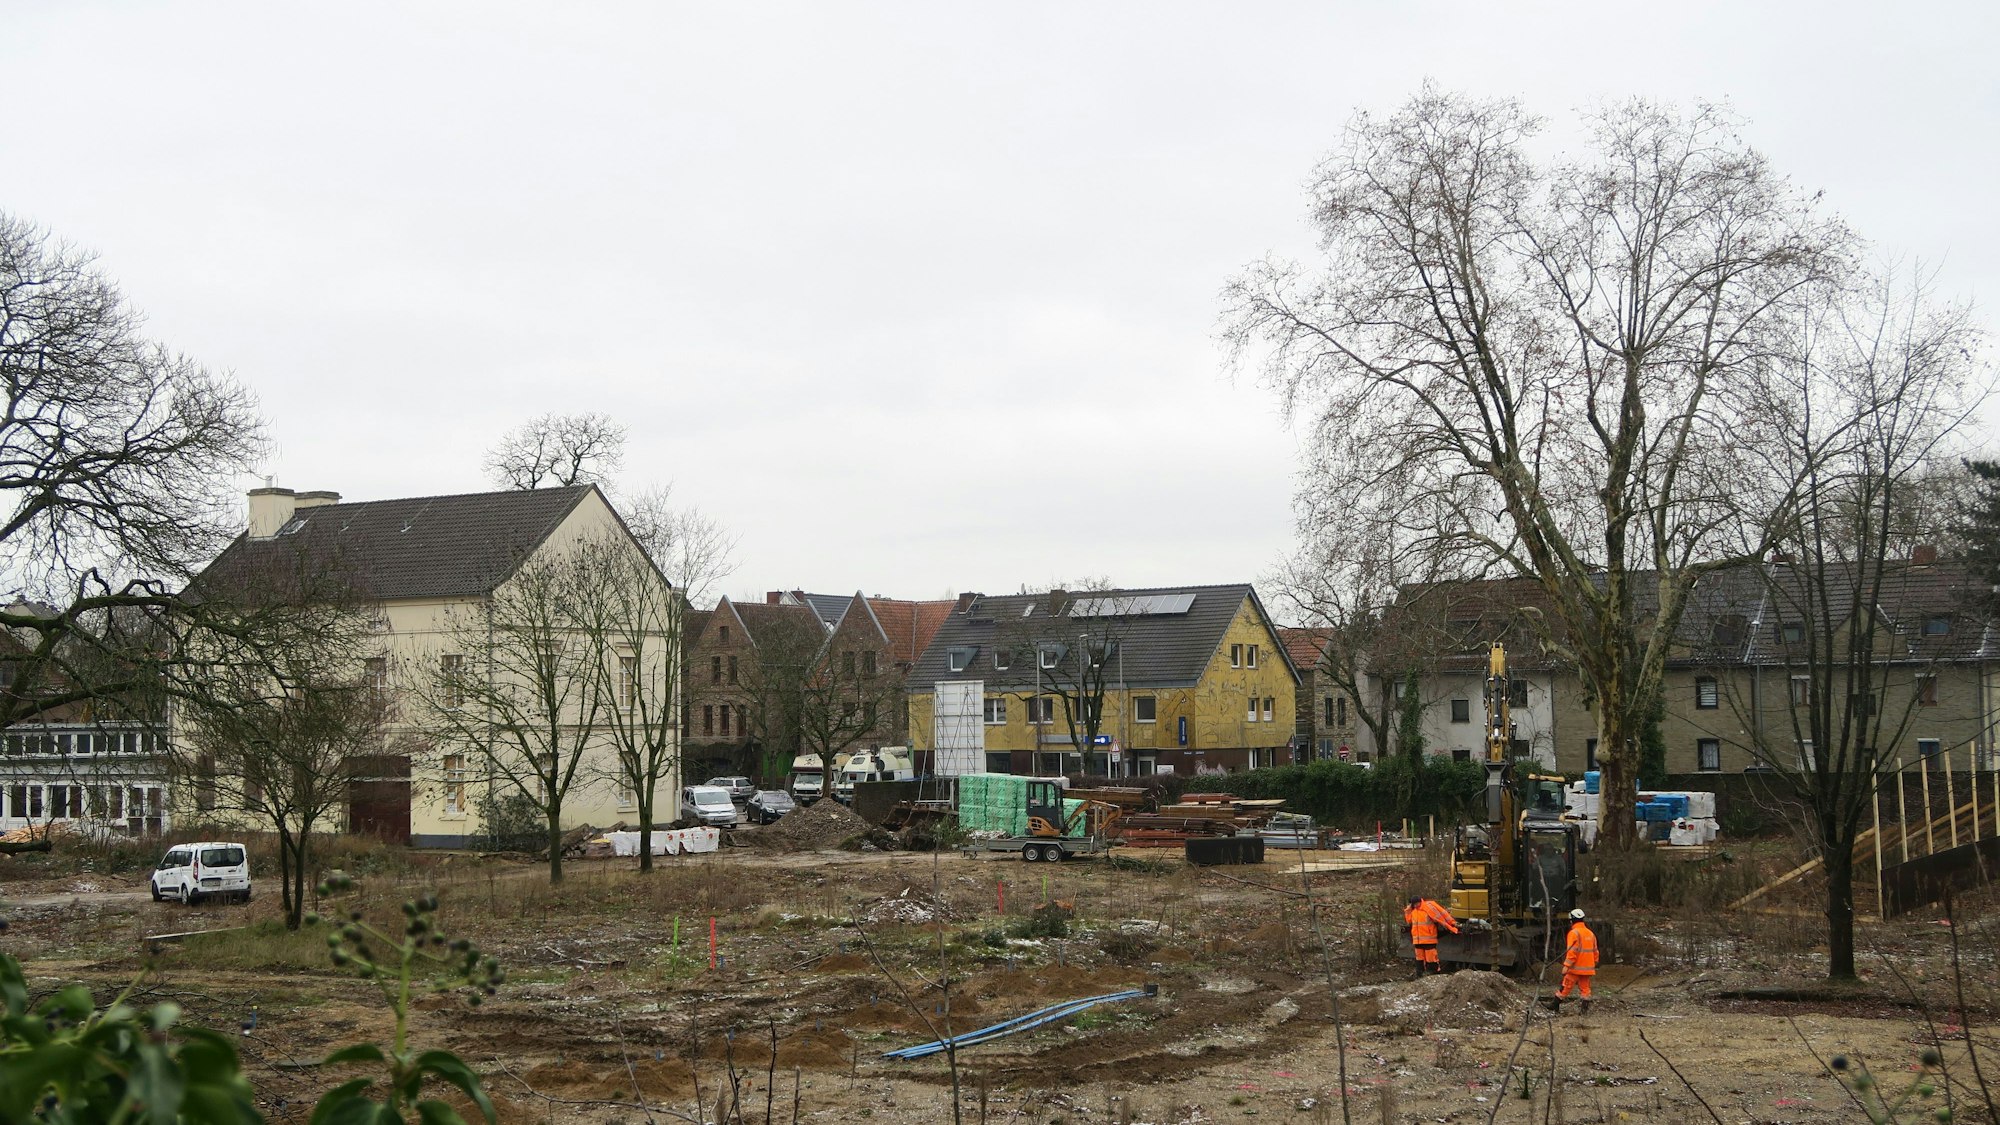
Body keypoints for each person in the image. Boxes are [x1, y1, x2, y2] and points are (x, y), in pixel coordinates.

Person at [1555, 907, 1599, 1013]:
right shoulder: (1590, 933)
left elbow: (1572, 952)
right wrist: (1594, 963)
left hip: (1575, 968)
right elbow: (1595, 951)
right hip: (1588, 969)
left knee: (1566, 986)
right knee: (1585, 989)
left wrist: (1566, 966)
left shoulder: (1574, 933)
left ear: (1572, 920)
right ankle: (1584, 1011)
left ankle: (1554, 1004)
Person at [1404, 894, 1459, 975]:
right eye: (1414, 904)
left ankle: (1434, 973)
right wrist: (1407, 911)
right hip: (1417, 940)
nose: (1416, 905)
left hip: (1429, 939)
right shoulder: (1413, 911)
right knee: (1419, 959)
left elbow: (1440, 918)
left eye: (1416, 904)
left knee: (1431, 958)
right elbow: (1409, 921)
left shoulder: (1428, 908)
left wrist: (1452, 925)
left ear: (1420, 901)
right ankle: (1420, 974)